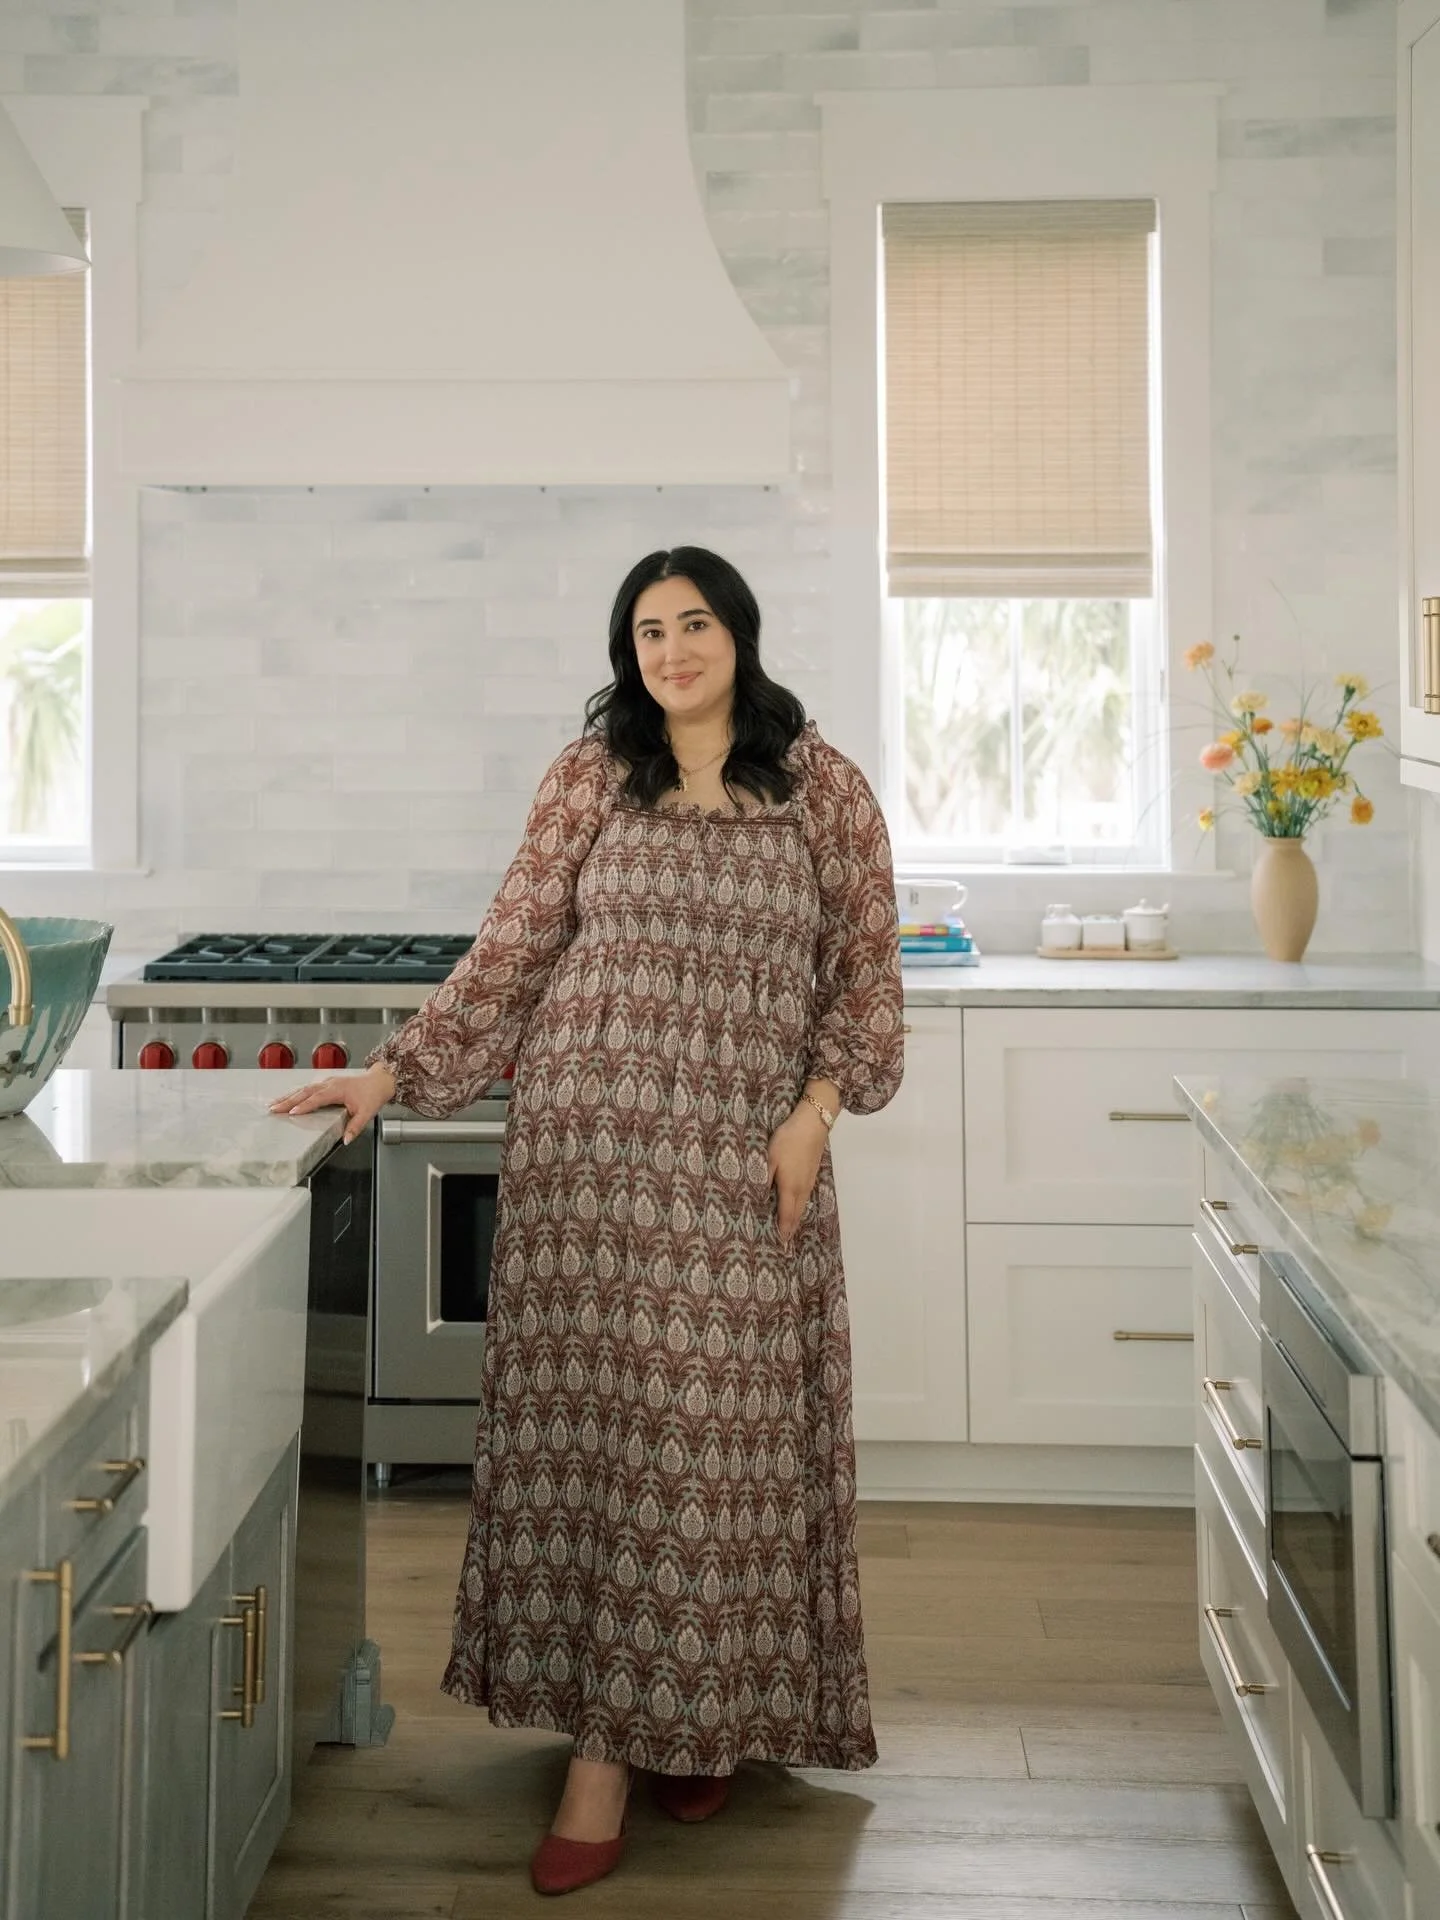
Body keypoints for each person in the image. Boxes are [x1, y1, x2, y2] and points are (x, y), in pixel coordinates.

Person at [271, 546, 905, 1895]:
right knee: (606, 1448)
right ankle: (609, 1751)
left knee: (714, 1452)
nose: (671, 648)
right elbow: (513, 949)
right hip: (586, 1158)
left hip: (741, 1160)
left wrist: (814, 1113)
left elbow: (862, 971)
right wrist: (398, 1070)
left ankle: (701, 1711)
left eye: (694, 624)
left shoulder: (824, 788)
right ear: (628, 650)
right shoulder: (590, 775)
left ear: (740, 631)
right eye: (647, 629)